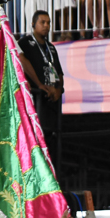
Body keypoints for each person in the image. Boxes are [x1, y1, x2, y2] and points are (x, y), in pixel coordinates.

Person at [17, 11, 64, 147]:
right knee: (35, 138)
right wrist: (39, 84)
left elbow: (59, 72)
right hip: (36, 99)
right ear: (33, 24)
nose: (46, 26)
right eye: (42, 22)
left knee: (52, 137)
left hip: (51, 100)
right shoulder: (25, 42)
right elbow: (21, 62)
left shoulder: (51, 47)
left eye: (48, 23)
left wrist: (58, 90)